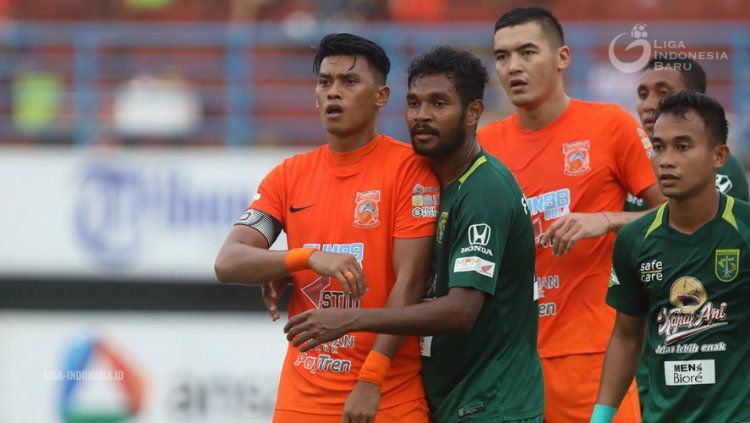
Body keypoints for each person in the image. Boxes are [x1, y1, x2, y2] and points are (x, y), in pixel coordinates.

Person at [284, 46, 545, 423]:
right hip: (457, 399)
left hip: (493, 404)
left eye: (439, 103)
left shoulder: (483, 189)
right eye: (414, 103)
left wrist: (352, 320)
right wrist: (285, 268)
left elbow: (461, 311)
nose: (422, 116)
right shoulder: (437, 182)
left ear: (473, 112)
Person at [214, 33, 439, 423]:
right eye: (325, 82)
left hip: (386, 397)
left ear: (381, 96)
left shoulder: (411, 170)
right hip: (300, 401)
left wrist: (372, 378)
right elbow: (228, 261)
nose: (334, 92)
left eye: (349, 82)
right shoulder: (289, 176)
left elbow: (411, 282)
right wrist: (304, 259)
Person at [477, 7, 665, 422]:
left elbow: (681, 216)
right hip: (510, 362)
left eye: (528, 52)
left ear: (562, 57)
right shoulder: (484, 146)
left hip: (593, 357)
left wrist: (606, 220)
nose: (513, 67)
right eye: (502, 56)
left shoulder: (610, 125)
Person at [591, 90, 750, 422]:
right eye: (658, 147)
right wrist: (601, 418)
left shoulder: (744, 229)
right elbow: (626, 335)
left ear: (719, 156)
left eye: (683, 147)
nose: (666, 160)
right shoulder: (635, 239)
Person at [625, 57, 748, 211]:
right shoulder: (624, 156)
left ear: (696, 99)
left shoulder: (722, 165)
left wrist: (610, 221)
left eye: (663, 93)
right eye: (643, 95)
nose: (647, 105)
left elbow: (692, 224)